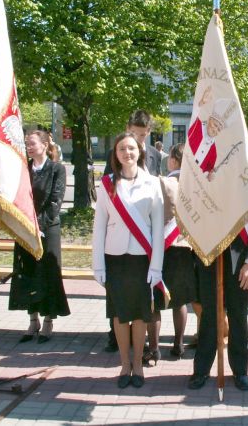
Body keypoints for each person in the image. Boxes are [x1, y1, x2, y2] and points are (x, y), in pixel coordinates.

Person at [92, 132, 164, 388]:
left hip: (142, 261)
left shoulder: (153, 183)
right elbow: (99, 225)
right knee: (121, 316)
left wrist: (157, 266)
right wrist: (98, 264)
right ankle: (124, 364)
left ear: (140, 152)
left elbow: (157, 229)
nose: (127, 153)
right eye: (122, 149)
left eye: (132, 148)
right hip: (115, 259)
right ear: (116, 154)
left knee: (141, 315)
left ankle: (138, 366)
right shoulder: (108, 183)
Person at [188, 193, 248, 392]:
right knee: (209, 315)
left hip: (241, 258)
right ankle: (202, 369)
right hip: (210, 253)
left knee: (238, 315)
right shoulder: (206, 169)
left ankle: (240, 370)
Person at [103, 110, 162, 353]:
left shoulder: (156, 156)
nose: (140, 139)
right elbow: (110, 187)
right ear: (128, 128)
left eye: (145, 134)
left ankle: (150, 342)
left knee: (148, 292)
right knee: (119, 293)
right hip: (122, 230)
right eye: (137, 133)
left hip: (147, 230)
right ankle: (115, 336)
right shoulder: (117, 152)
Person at [9, 130, 70, 343]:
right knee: (27, 272)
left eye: (33, 143)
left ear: (44, 145)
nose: (29, 146)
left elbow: (56, 200)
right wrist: (24, 226)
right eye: (27, 143)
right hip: (25, 229)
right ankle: (32, 319)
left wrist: (38, 226)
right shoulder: (24, 169)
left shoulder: (56, 169)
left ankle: (48, 321)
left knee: (47, 273)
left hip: (46, 229)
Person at [152, 143, 197, 359]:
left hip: (162, 247)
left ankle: (154, 348)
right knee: (180, 301)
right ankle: (178, 344)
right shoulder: (196, 185)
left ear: (172, 160)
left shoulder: (162, 182)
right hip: (184, 248)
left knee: (156, 301)